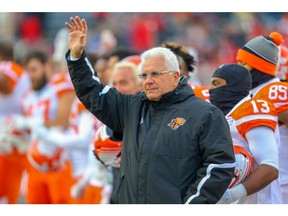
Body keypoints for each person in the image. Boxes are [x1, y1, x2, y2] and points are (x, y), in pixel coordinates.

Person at [64, 16, 235, 204]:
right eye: (144, 75)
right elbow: (92, 93)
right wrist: (77, 58)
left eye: (155, 74)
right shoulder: (131, 107)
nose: (148, 80)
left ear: (175, 76)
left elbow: (220, 166)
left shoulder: (205, 114)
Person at [209, 64, 280, 204]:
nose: (211, 90)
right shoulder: (224, 114)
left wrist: (230, 195)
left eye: (217, 83)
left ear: (234, 84)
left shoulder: (252, 109)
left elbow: (270, 167)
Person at [236, 32, 288, 203]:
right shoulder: (256, 92)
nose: (239, 68)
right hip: (264, 180)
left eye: (244, 63)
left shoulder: (274, 91)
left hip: (279, 180)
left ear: (260, 66)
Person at [18, 50, 76, 204]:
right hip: (35, 161)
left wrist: (33, 123)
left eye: (34, 69)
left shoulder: (61, 84)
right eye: (28, 71)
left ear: (46, 66)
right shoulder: (28, 94)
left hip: (60, 161)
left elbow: (64, 120)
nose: (31, 75)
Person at [0, 40, 31, 204]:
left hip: (12, 138)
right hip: (11, 136)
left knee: (7, 196)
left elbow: (5, 84)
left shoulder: (9, 66)